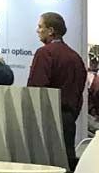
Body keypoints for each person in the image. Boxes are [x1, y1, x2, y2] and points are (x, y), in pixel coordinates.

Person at [27, 11, 87, 163]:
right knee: (65, 164)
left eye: (40, 26)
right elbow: (78, 92)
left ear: (51, 31)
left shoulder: (44, 53)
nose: (37, 30)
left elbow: (36, 89)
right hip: (68, 119)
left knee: (44, 166)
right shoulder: (76, 57)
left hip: (48, 118)